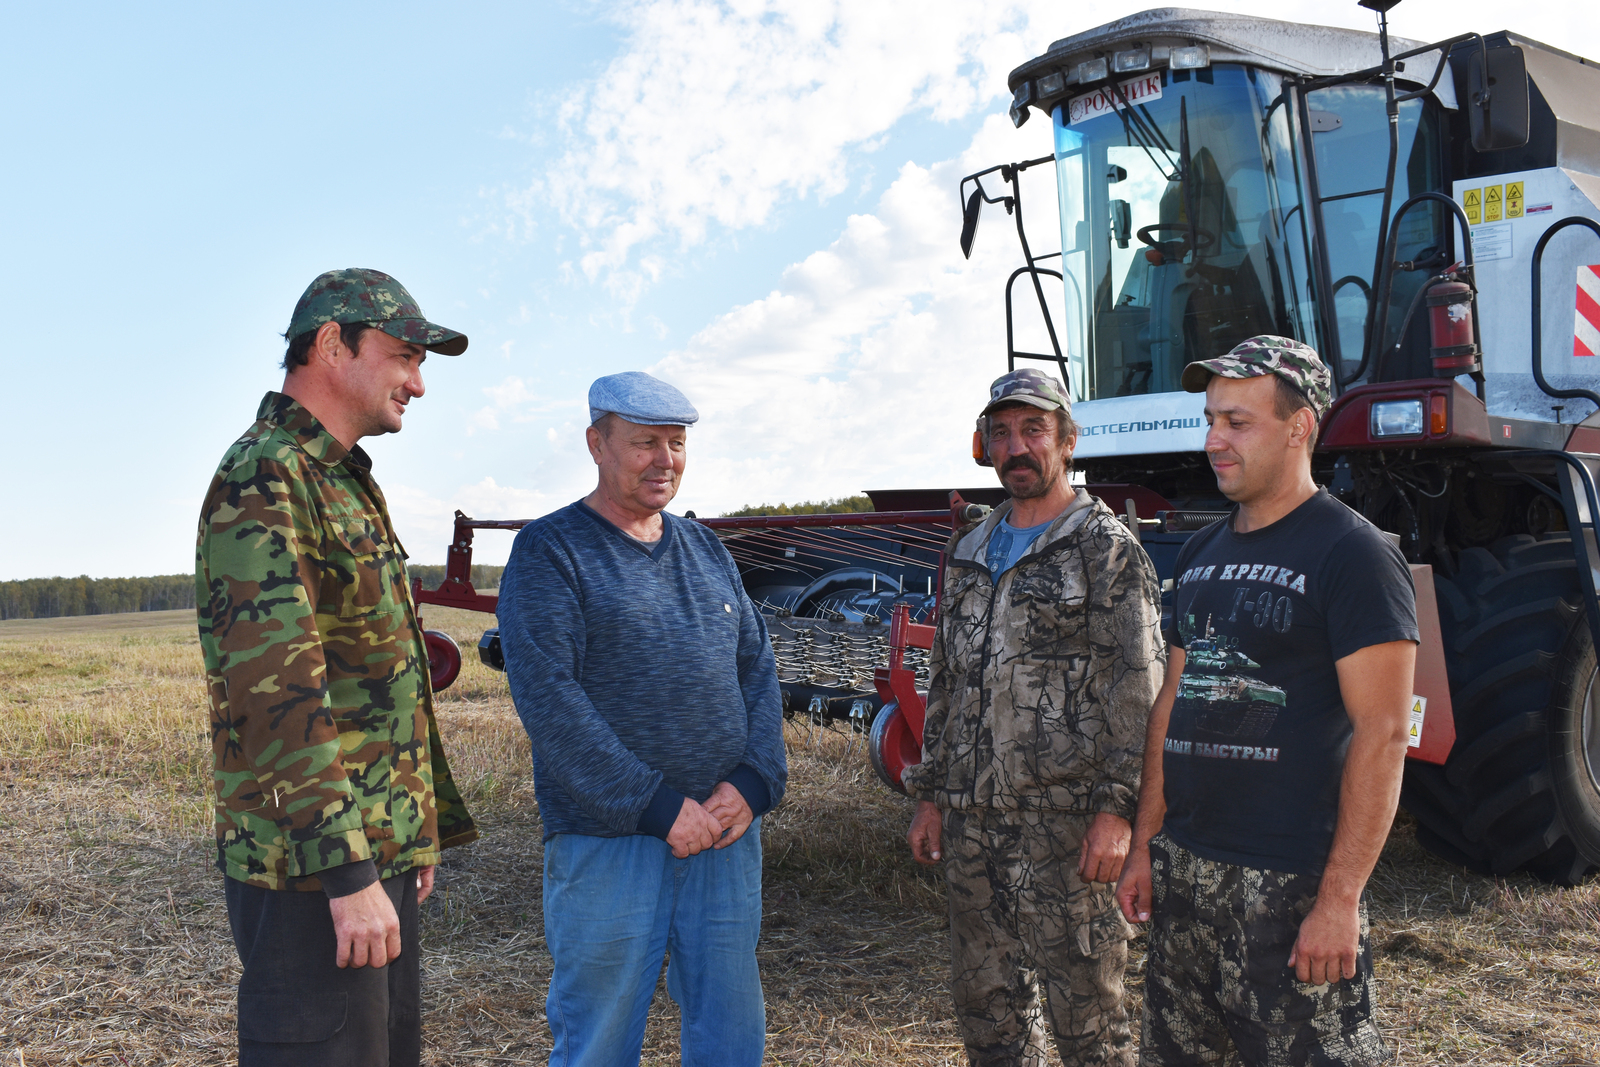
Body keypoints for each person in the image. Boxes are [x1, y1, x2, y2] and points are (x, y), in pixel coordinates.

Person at [194, 268, 478, 1067]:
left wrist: (406, 838)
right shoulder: (266, 474)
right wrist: (349, 871)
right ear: (330, 343)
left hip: (367, 852)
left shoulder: (341, 478)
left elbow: (373, 676)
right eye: (403, 356)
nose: (418, 383)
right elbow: (276, 692)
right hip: (308, 873)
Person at [1115, 336, 1419, 1066]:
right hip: (1186, 876)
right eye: (1212, 418)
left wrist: (1339, 898)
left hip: (1286, 889)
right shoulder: (1200, 553)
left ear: (1298, 427)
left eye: (1237, 422)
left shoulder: (1354, 553)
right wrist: (1146, 845)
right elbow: (1173, 703)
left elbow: (1382, 733)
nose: (1214, 439)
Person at [496, 371, 787, 1067]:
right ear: (597, 443)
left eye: (677, 443)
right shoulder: (551, 552)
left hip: (722, 837)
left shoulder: (705, 548)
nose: (665, 459)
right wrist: (653, 804)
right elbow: (551, 700)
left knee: (731, 1034)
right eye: (645, 442)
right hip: (609, 842)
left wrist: (753, 781)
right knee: (598, 1037)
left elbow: (757, 668)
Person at [903, 368, 1165, 1067]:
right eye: (1001, 432)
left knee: (1091, 1027)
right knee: (987, 1014)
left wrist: (1118, 812)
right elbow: (948, 679)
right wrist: (931, 794)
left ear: (1067, 440)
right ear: (984, 445)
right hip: (971, 828)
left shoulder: (1105, 548)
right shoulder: (968, 550)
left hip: (1068, 835)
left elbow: (1136, 687)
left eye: (1032, 430)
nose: (1016, 446)